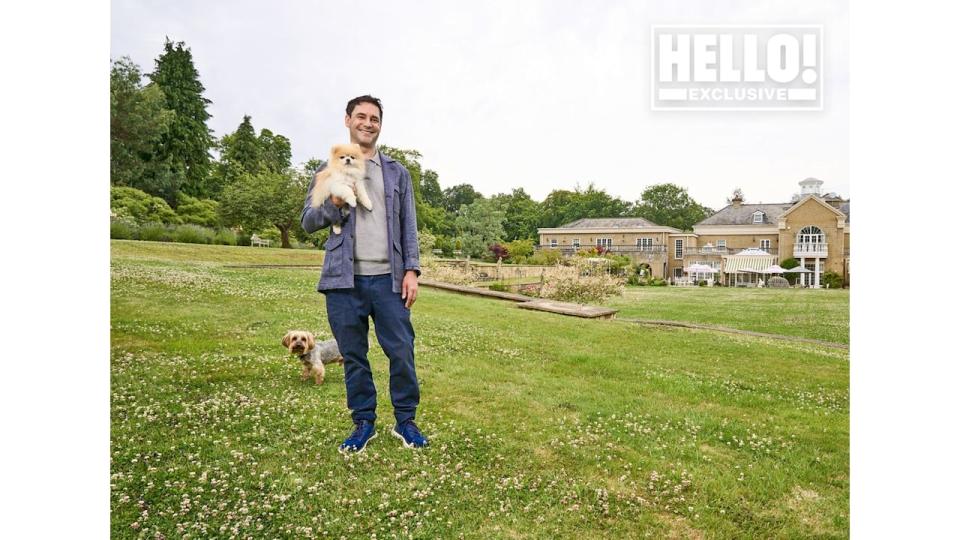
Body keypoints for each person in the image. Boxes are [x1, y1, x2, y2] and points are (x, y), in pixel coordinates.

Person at [300, 95, 427, 454]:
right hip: (344, 281)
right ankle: (363, 422)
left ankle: (406, 421)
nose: (368, 123)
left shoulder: (397, 172)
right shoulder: (328, 170)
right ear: (347, 120)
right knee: (353, 355)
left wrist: (412, 271)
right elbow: (307, 222)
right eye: (361, 116)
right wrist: (334, 206)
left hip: (389, 279)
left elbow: (409, 227)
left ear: (380, 125)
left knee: (401, 351)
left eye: (374, 118)